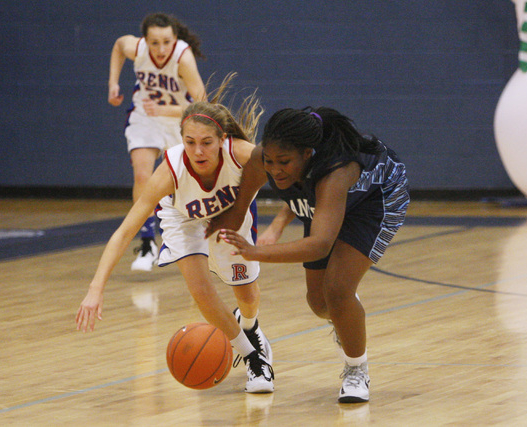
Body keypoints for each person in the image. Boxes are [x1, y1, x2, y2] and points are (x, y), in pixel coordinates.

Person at [76, 77, 274, 393]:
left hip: (229, 219)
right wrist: (95, 288)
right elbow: (126, 230)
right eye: (190, 141)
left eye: (206, 142)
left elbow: (288, 175)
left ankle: (250, 327)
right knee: (200, 288)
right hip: (185, 219)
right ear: (180, 139)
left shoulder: (242, 153)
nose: (197, 150)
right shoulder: (170, 171)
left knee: (247, 294)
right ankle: (253, 360)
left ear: (221, 139)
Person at [207, 107, 409, 403]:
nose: (275, 170)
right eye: (270, 161)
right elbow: (239, 208)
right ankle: (346, 318)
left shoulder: (337, 172)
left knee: (338, 291)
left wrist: (256, 251)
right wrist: (202, 237)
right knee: (318, 302)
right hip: (329, 202)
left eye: (284, 162)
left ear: (308, 154)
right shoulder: (264, 159)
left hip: (377, 200)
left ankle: (356, 369)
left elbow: (320, 244)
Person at [108, 12, 207, 271]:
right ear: (145, 41)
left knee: (185, 184)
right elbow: (119, 45)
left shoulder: (182, 58)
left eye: (166, 42)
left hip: (177, 117)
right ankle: (148, 241)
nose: (161, 48)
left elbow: (202, 103)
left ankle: (199, 239)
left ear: (175, 40)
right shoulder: (136, 48)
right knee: (143, 176)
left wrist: (167, 109)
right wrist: (113, 83)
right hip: (144, 116)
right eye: (155, 42)